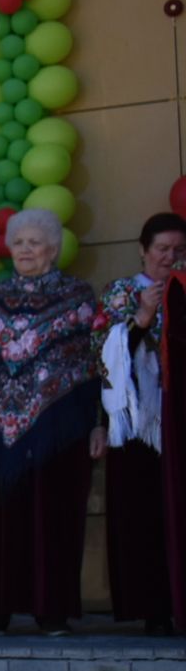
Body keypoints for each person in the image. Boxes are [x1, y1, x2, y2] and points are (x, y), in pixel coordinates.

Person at [0, 209, 99, 636]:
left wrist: (97, 423)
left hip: (58, 429)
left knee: (52, 520)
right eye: (19, 243)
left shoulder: (77, 297)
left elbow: (95, 367)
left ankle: (51, 612)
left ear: (53, 248)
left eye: (35, 242)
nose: (26, 250)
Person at [93, 212, 186, 633]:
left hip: (178, 415)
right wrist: (142, 319)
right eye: (162, 249)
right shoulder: (123, 291)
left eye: (178, 250)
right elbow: (102, 351)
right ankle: (155, 610)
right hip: (139, 425)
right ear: (143, 251)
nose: (170, 257)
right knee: (146, 517)